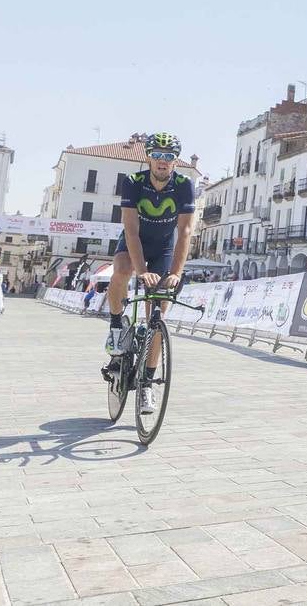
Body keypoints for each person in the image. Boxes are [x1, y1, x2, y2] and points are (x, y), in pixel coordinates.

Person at [103, 132, 195, 414]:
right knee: (122, 269)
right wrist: (142, 271)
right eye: (157, 155)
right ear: (148, 157)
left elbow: (185, 232)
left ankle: (146, 383)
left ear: (175, 161)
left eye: (168, 156)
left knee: (157, 315)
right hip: (135, 242)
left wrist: (175, 273)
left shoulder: (184, 186)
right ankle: (116, 325)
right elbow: (130, 230)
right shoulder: (133, 182)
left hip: (164, 247)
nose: (162, 161)